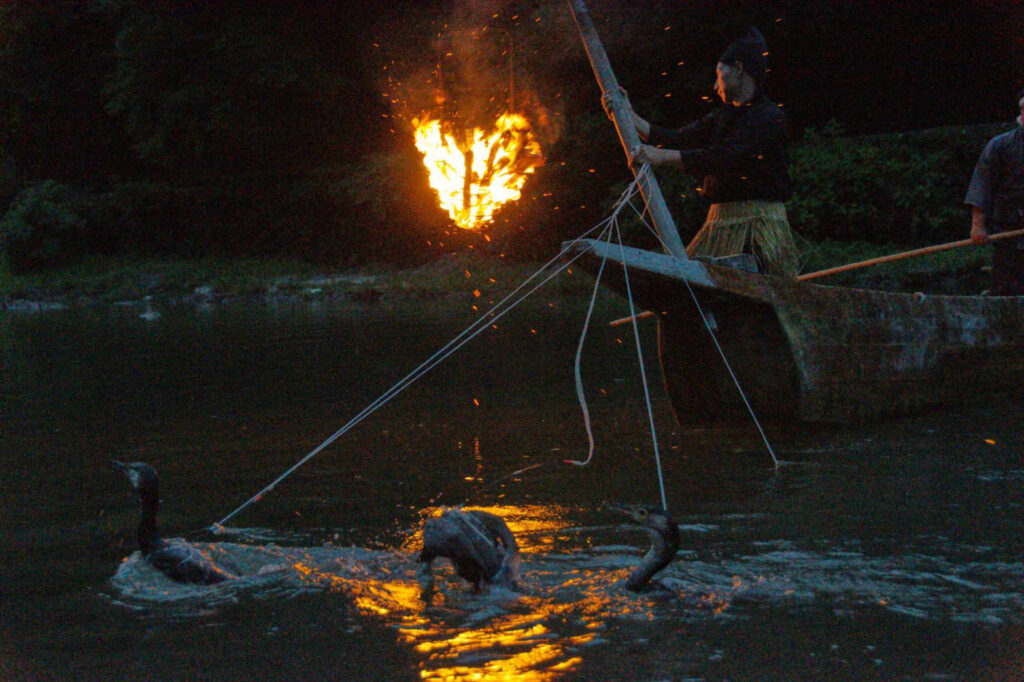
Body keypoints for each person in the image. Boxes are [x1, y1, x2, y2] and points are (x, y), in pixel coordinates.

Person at [612, 28, 799, 277]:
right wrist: (627, 115)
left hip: (758, 227)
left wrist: (662, 157)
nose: (714, 85)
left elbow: (725, 157)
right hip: (719, 225)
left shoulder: (769, 117)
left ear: (739, 69)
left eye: (719, 74)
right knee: (687, 289)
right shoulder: (723, 115)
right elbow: (678, 138)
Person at [965, 88, 1024, 295]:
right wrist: (977, 226)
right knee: (1006, 288)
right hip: (1009, 230)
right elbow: (982, 185)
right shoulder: (1000, 145)